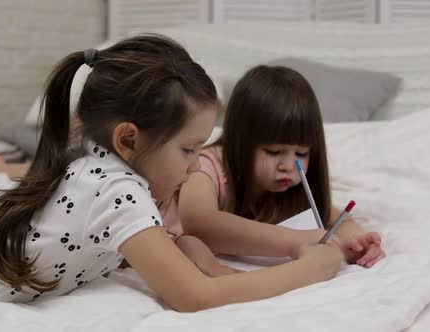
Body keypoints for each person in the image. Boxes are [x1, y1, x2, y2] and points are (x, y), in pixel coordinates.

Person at [0, 35, 343, 311]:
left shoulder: (103, 171)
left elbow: (137, 244)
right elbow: (192, 297)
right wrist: (309, 269)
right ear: (129, 140)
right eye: (188, 149)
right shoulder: (116, 189)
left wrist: (192, 250)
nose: (196, 164)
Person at [160, 65, 385, 276]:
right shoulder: (205, 168)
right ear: (240, 142)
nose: (288, 166)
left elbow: (335, 219)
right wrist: (294, 240)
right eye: (274, 151)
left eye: (301, 154)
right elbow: (201, 224)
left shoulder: (288, 187)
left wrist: (356, 242)